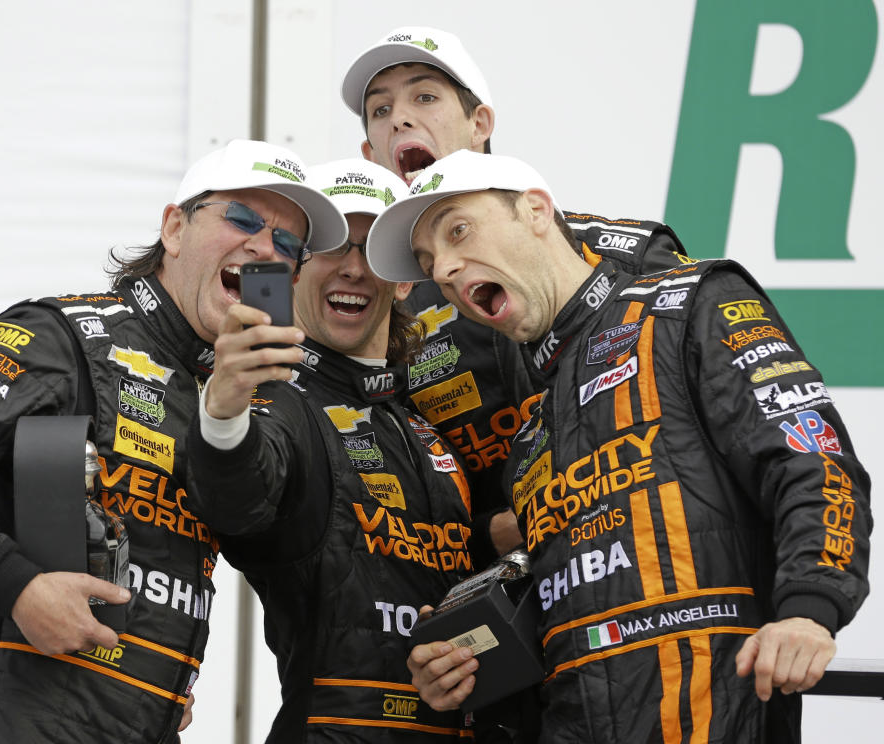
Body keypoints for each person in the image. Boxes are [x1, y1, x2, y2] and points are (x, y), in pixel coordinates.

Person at [366, 149, 872, 743]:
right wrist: (462, 645)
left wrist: (810, 610)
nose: (446, 269)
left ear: (535, 210)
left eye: (458, 230)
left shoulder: (685, 305)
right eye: (429, 262)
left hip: (715, 712)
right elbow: (563, 584)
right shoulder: (530, 436)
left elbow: (811, 457)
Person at [0, 138, 348, 743]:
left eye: (287, 245)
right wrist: (16, 586)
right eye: (243, 219)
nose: (262, 249)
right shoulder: (63, 334)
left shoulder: (241, 400)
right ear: (174, 228)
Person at [342, 26, 692, 567]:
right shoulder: (384, 311)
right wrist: (500, 531)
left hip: (661, 559)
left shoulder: (624, 253)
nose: (400, 119)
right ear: (372, 153)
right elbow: (404, 495)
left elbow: (706, 410)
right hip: (510, 603)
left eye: (425, 96)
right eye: (380, 110)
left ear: (480, 123)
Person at [185, 157, 476, 743]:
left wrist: (469, 651)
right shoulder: (282, 400)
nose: (352, 269)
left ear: (403, 279)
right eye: (332, 248)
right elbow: (238, 503)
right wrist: (223, 412)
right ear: (293, 270)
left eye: (373, 252)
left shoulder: (424, 426)